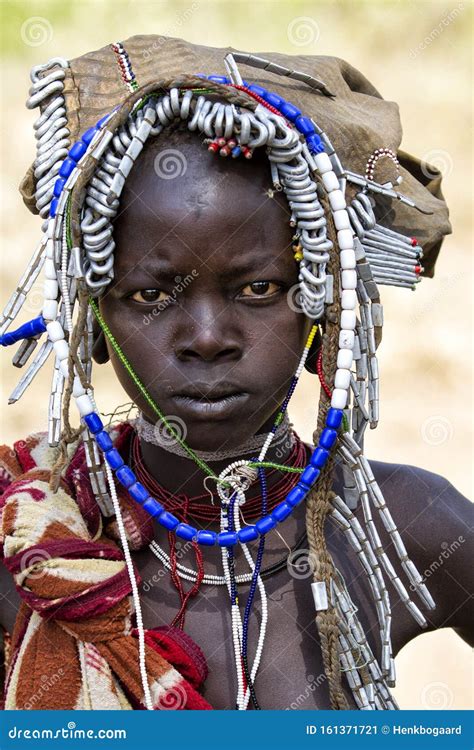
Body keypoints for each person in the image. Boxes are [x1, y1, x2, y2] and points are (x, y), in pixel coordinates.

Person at [0, 35, 471, 711]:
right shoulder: (27, 548)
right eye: (149, 296)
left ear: (323, 307)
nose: (208, 338)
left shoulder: (405, 531)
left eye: (257, 289)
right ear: (90, 323)